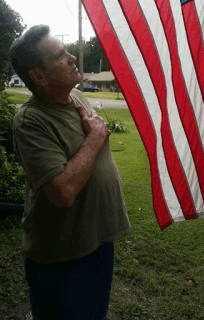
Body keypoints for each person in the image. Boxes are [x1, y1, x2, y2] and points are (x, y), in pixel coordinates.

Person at [9, 25, 131, 320]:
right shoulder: (30, 121)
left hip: (99, 241)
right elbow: (62, 193)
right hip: (60, 257)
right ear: (38, 76)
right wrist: (96, 138)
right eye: (61, 56)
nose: (72, 58)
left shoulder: (77, 98)